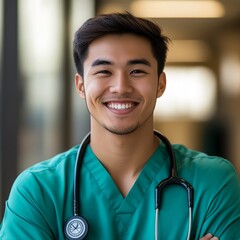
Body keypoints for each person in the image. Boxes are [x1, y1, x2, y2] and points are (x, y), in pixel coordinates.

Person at [0, 12, 240, 240]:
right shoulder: (37, 190)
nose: (121, 87)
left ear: (160, 84)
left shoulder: (212, 182)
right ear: (81, 86)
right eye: (104, 71)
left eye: (137, 71)